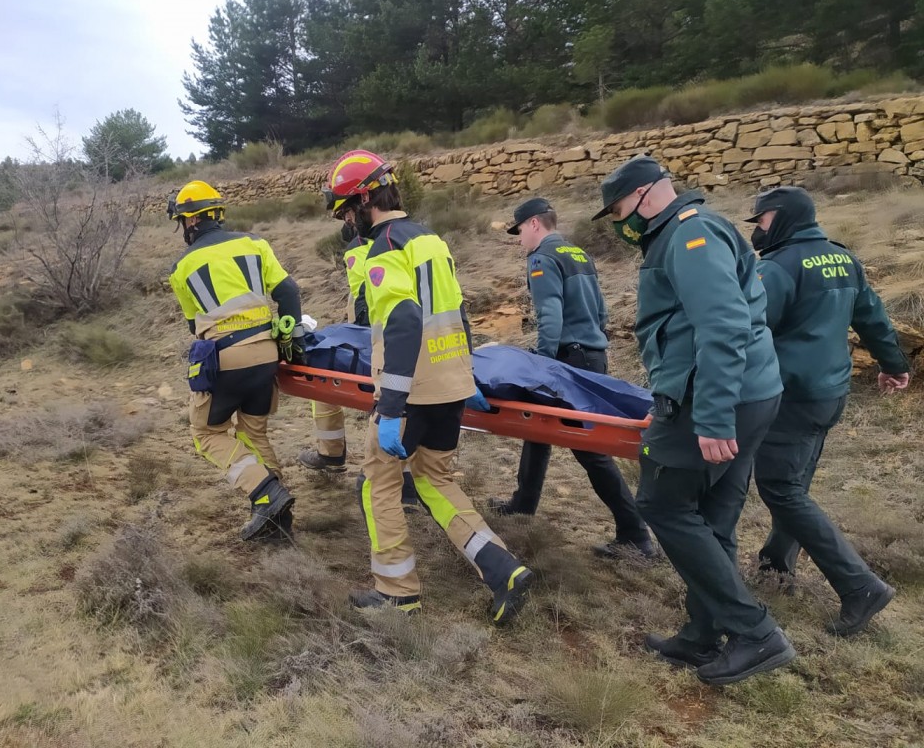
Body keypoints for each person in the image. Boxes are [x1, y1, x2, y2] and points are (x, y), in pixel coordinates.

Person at [592, 155, 794, 685]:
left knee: (660, 502)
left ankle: (754, 633)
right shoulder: (690, 231)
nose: (619, 223)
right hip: (748, 393)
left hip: (714, 398)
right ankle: (703, 635)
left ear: (645, 194)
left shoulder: (690, 236)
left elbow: (724, 325)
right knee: (713, 515)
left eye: (619, 210)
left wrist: (712, 416)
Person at [328, 149, 533, 625]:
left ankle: (396, 592)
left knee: (377, 483)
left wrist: (393, 406)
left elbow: (401, 322)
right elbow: (456, 314)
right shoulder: (431, 241)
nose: (346, 221)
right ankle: (502, 569)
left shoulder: (385, 250)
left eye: (345, 210)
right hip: (450, 384)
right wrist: (468, 375)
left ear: (363, 202)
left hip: (411, 391)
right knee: (434, 479)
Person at [746, 186, 907, 635]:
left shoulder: (778, 267)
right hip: (829, 393)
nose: (757, 229)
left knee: (781, 488)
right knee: (794, 483)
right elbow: (872, 317)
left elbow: (751, 329)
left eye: (760, 220)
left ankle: (859, 586)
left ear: (781, 218)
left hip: (792, 395)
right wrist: (894, 365)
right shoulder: (843, 258)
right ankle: (777, 565)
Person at [491, 197, 655, 559]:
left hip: (568, 357)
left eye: (520, 232)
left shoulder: (543, 257)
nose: (519, 240)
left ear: (534, 224)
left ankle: (635, 534)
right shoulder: (578, 253)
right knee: (535, 425)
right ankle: (523, 503)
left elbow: (549, 314)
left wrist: (544, 363)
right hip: (590, 353)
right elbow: (600, 309)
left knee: (590, 449)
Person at [169, 180, 303, 541]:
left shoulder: (181, 267)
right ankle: (278, 523)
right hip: (267, 353)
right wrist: (290, 332)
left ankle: (266, 494)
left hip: (226, 356)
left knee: (207, 434)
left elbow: (192, 324)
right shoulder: (255, 243)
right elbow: (288, 291)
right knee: (254, 432)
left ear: (191, 221)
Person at [295, 189, 372, 473]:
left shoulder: (359, 249)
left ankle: (331, 453)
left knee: (321, 372)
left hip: (377, 340)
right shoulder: (416, 237)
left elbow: (365, 301)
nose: (347, 221)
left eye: (347, 214)